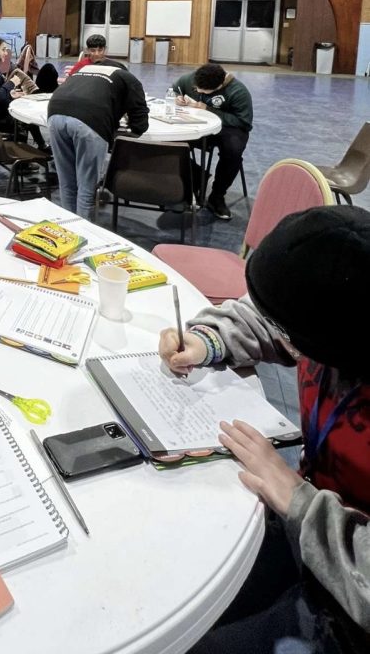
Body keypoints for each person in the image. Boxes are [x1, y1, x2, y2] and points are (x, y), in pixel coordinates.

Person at [158, 205, 370, 653]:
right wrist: (206, 341)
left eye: (289, 334)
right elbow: (268, 315)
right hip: (308, 519)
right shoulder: (341, 315)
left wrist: (299, 502)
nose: (281, 338)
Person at [46, 57, 149, 219]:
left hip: (54, 114)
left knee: (66, 184)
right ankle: (84, 235)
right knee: (86, 190)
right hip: (90, 121)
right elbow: (141, 123)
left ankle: (67, 232)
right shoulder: (126, 77)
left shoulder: (83, 70)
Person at [174, 63, 253, 221]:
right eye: (197, 88)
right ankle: (197, 179)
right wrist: (177, 96)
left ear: (219, 85)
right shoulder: (190, 79)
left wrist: (209, 110)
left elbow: (243, 122)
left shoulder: (238, 91)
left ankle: (217, 196)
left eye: (203, 91)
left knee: (233, 152)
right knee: (171, 141)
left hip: (228, 128)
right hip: (196, 123)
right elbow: (177, 87)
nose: (198, 91)